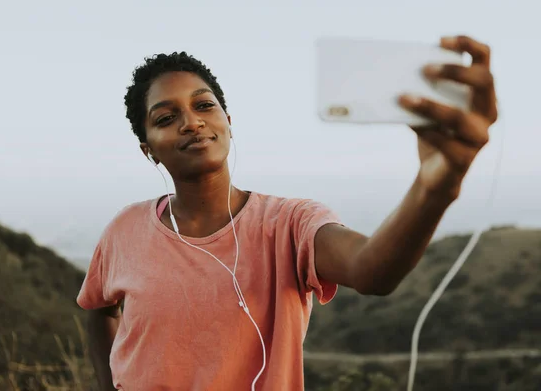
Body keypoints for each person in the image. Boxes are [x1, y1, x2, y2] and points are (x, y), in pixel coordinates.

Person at [76, 34, 498, 390]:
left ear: (228, 120)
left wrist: (435, 187)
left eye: (204, 105)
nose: (191, 122)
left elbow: (373, 270)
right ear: (148, 150)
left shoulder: (289, 224)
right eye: (167, 117)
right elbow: (97, 308)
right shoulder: (125, 229)